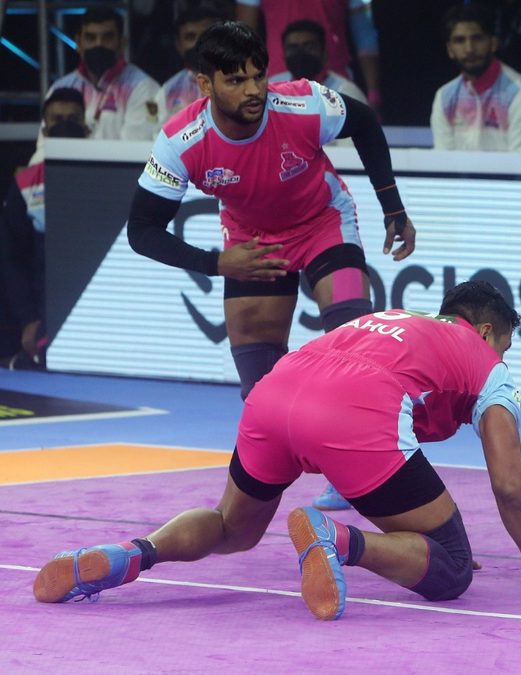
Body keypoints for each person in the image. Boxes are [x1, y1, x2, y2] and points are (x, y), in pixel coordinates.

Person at [32, 281, 521, 620]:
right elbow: (510, 480)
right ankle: (336, 538)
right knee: (449, 568)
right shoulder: (484, 360)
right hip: (353, 415)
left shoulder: (390, 319)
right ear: (487, 329)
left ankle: (130, 553)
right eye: (506, 345)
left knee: (233, 527)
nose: (505, 358)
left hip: (277, 393)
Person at [125, 21, 416, 511]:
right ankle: (280, 472)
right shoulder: (181, 141)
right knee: (261, 390)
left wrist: (394, 207)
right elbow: (142, 231)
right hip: (252, 244)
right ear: (205, 83)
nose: (253, 90)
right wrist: (218, 262)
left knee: (352, 349)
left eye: (257, 76)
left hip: (323, 221)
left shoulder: (302, 103)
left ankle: (356, 469)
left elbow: (364, 121)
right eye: (235, 80)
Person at [0, 89, 89, 369]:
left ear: (87, 125)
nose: (65, 124)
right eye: (57, 118)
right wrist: (28, 319)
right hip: (41, 305)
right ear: (44, 127)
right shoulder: (26, 184)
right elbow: (11, 258)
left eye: (73, 118)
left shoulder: (109, 175)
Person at [431, 3, 521, 153]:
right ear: (450, 50)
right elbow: (444, 162)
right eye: (460, 40)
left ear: (493, 43)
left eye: (477, 38)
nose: (469, 49)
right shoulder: (445, 98)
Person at [236, 0, 382, 111]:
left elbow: (364, 34)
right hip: (277, 85)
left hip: (336, 85)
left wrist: (373, 93)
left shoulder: (348, 92)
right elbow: (244, 38)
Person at [47, 7, 161, 141]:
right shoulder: (61, 88)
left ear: (122, 43)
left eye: (107, 37)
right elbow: (44, 148)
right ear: (78, 43)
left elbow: (135, 150)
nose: (99, 44)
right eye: (91, 38)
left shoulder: (142, 87)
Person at [268, 19, 367, 104]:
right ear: (284, 56)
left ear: (324, 54)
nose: (300, 54)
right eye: (293, 48)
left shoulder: (347, 94)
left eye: (309, 47)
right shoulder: (272, 89)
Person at [155, 7, 224, 126]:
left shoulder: (240, 81)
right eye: (190, 37)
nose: (199, 43)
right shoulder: (169, 90)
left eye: (206, 35)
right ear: (179, 45)